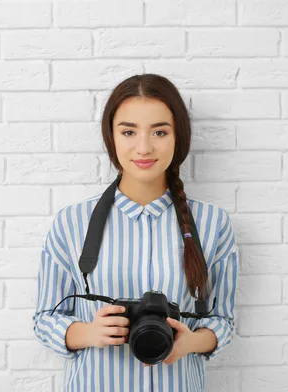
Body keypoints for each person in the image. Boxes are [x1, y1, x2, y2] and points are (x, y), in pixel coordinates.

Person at [32, 74, 239, 392]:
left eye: (159, 131)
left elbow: (222, 320)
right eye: (129, 131)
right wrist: (90, 333)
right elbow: (45, 318)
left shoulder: (212, 224)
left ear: (178, 137)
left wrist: (190, 342)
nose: (144, 147)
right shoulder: (72, 222)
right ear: (111, 137)